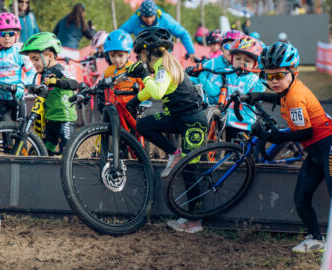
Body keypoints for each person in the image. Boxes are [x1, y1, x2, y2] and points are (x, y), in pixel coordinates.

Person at [246, 42, 332, 253]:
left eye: (279, 76)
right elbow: (279, 96)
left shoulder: (294, 96)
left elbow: (306, 133)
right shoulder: (289, 89)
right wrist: (259, 96)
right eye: (268, 76)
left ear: (293, 72)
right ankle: (316, 239)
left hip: (327, 148)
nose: (273, 82)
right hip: (315, 152)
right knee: (301, 197)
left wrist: (273, 137)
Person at [125, 27, 207, 233]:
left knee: (190, 170)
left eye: (140, 55)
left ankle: (195, 220)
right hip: (178, 118)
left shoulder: (163, 66)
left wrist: (144, 74)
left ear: (149, 51)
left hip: (193, 122)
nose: (140, 59)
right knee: (144, 125)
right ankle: (174, 153)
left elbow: (158, 91)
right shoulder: (164, 64)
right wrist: (136, 99)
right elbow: (151, 89)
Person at [20, 32, 79, 156]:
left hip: (65, 119)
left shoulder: (59, 70)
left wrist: (57, 81)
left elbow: (74, 84)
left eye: (36, 59)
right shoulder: (44, 73)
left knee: (68, 153)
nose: (33, 63)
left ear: (50, 55)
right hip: (50, 119)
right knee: (45, 151)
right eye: (31, 59)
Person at [119, 0, 196, 61]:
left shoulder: (165, 19)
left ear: (155, 14)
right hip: (144, 55)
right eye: (146, 17)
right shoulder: (134, 21)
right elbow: (120, 34)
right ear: (141, 15)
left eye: (151, 16)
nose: (149, 20)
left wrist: (191, 52)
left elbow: (183, 33)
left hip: (163, 55)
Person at [189, 30, 245, 103]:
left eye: (235, 47)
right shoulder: (212, 62)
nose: (231, 51)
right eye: (227, 46)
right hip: (209, 105)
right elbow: (201, 74)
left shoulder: (243, 69)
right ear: (222, 48)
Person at [101, 30, 143, 111]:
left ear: (128, 54)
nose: (116, 60)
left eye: (120, 55)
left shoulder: (135, 69)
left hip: (133, 106)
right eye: (112, 56)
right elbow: (107, 92)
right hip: (116, 108)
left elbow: (144, 87)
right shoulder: (108, 72)